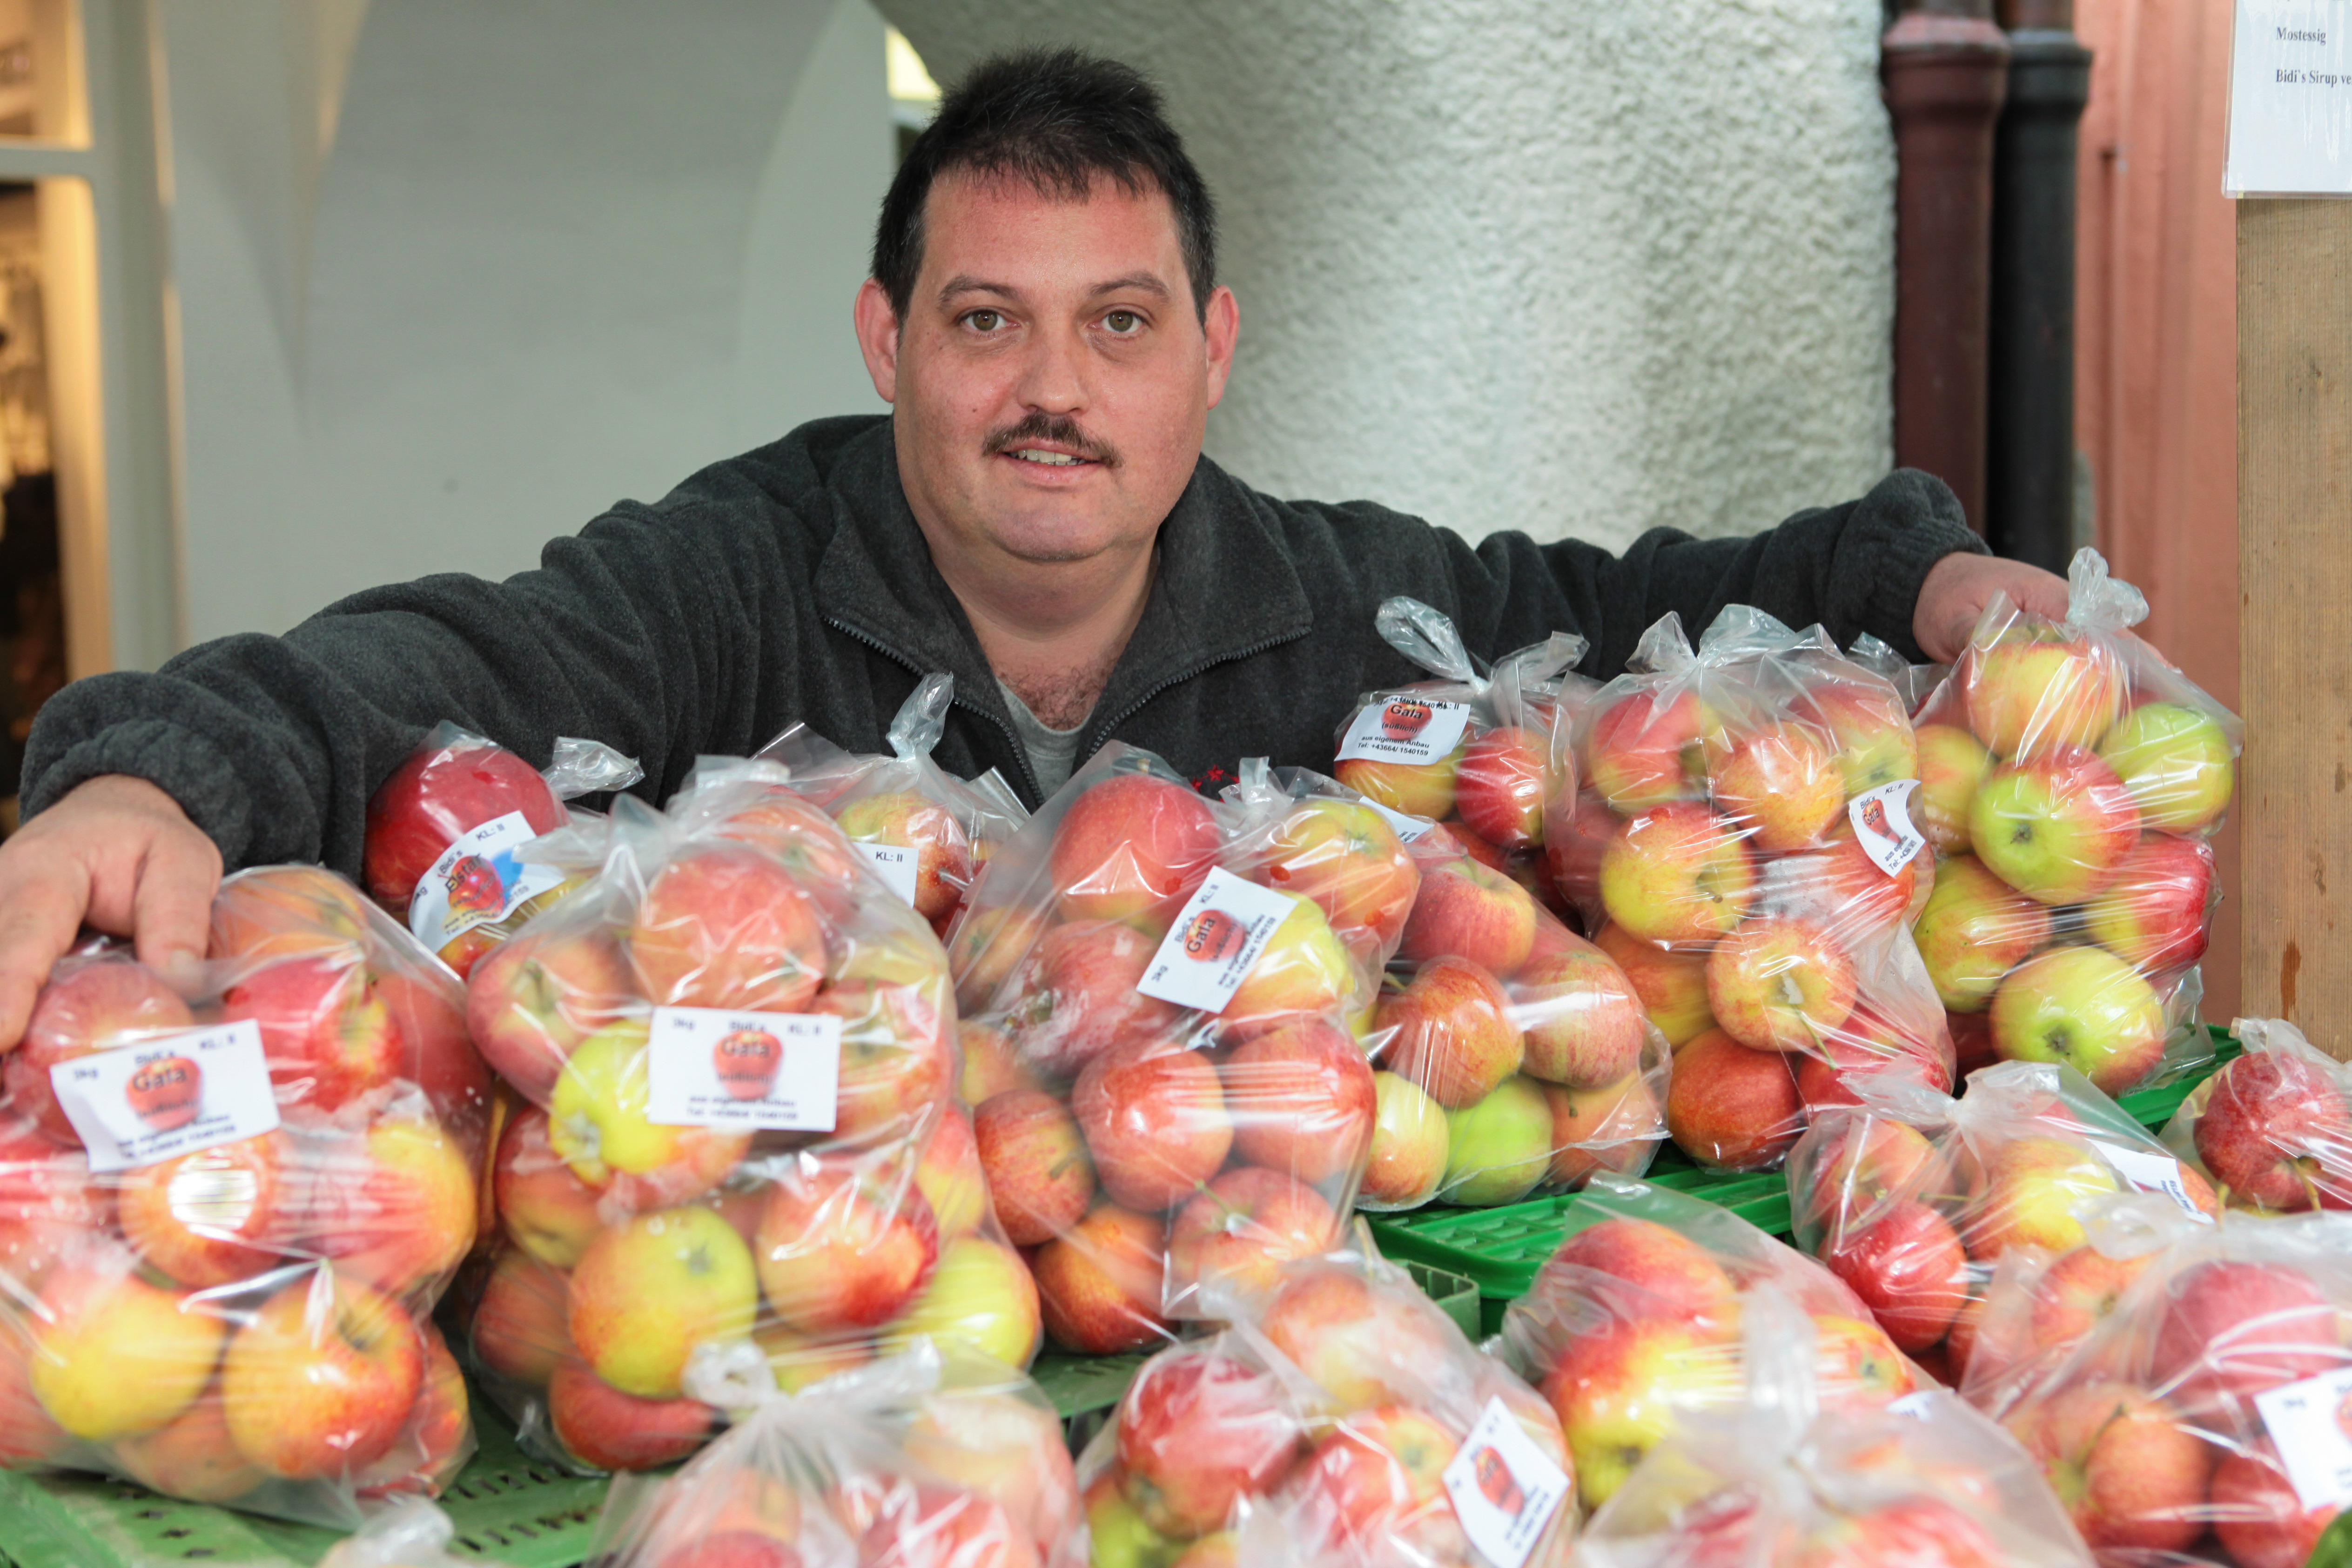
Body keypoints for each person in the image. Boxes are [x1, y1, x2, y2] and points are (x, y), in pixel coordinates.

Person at [0, 49, 2067, 1049]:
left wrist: (1910, 577)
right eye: (986, 321)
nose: (1052, 391)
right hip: (810, 1358)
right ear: (888, 342)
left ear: (1212, 354)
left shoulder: (1337, 601)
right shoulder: (732, 582)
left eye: (1120, 325)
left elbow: (1626, 614)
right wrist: (143, 783)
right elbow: (427, 672)